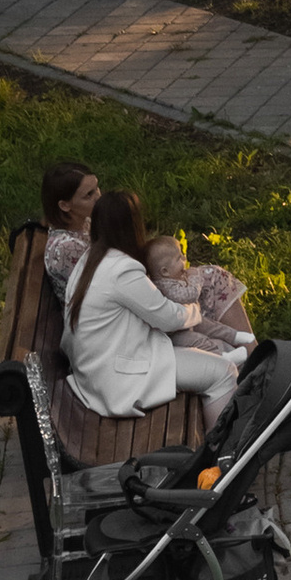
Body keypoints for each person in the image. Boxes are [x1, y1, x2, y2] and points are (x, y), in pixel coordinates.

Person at [63, 192, 234, 422]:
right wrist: (195, 311)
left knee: (206, 355)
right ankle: (220, 455)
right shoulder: (123, 270)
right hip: (118, 381)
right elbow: (169, 318)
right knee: (224, 373)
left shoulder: (89, 259)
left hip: (94, 370)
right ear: (133, 225)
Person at [144, 233, 258, 373]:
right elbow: (190, 295)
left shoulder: (166, 279)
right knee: (199, 341)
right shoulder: (167, 287)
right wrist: (195, 279)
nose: (185, 259)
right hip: (177, 331)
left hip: (187, 319)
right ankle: (224, 357)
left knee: (212, 326)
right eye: (179, 258)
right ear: (165, 271)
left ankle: (236, 336)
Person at [38, 160, 99, 307]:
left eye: (96, 188)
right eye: (89, 195)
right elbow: (97, 289)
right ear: (65, 205)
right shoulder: (67, 248)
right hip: (93, 319)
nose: (98, 196)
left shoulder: (82, 221)